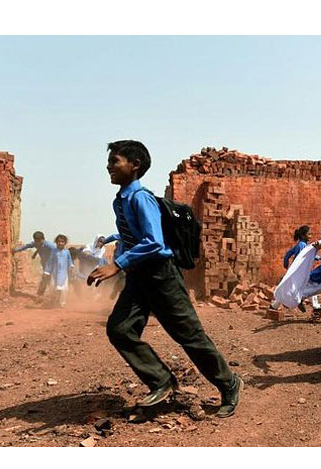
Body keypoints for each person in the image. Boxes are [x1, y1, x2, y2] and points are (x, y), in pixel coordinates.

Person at [87, 140, 242, 416]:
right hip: (138, 278)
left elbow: (154, 242)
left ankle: (229, 383)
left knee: (189, 336)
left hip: (161, 275)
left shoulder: (140, 198)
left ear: (134, 166)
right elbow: (132, 235)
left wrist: (117, 265)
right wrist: (119, 256)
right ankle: (161, 381)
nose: (109, 166)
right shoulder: (121, 200)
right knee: (120, 330)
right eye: (109, 160)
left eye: (115, 161)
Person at [273, 226, 321, 313]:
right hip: (300, 271)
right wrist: (319, 257)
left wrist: (286, 262)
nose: (311, 235)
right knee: (311, 285)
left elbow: (288, 254)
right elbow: (303, 257)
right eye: (309, 234)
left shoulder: (301, 244)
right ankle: (314, 305)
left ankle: (274, 305)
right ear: (303, 235)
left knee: (290, 288)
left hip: (297, 271)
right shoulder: (302, 245)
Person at [12, 231, 56, 299]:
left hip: (53, 264)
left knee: (51, 279)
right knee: (45, 279)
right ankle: (41, 295)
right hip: (44, 263)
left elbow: (57, 252)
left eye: (38, 241)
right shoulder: (36, 244)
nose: (37, 243)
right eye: (36, 241)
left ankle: (52, 295)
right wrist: (16, 250)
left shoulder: (50, 245)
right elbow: (26, 246)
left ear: (42, 239)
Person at [44, 234, 74, 308]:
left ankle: (62, 303)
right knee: (52, 287)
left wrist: (71, 268)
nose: (60, 243)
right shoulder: (53, 252)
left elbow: (70, 261)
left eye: (62, 241)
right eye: (59, 241)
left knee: (65, 289)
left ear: (65, 243)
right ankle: (53, 301)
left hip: (64, 274)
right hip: (55, 273)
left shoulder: (67, 252)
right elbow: (50, 262)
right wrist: (46, 272)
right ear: (56, 242)